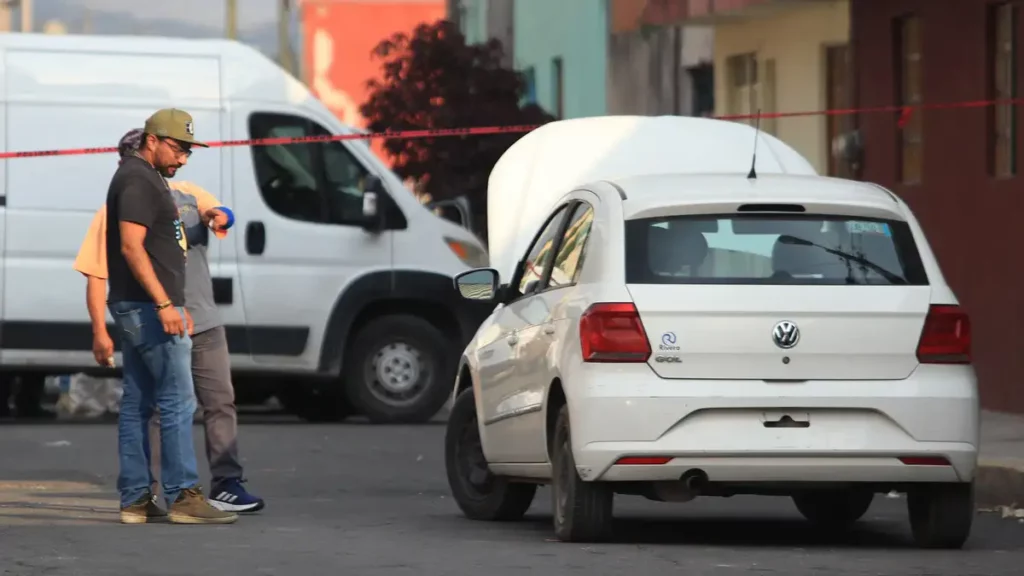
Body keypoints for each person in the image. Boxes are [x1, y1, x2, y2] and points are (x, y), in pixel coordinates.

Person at [74, 127, 265, 514]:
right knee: (166, 404)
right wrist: (100, 331)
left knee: (217, 401)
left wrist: (217, 216)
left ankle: (218, 484)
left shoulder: (189, 194)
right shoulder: (116, 210)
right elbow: (97, 272)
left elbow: (223, 213)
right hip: (162, 317)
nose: (180, 161)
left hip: (201, 319)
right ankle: (170, 493)